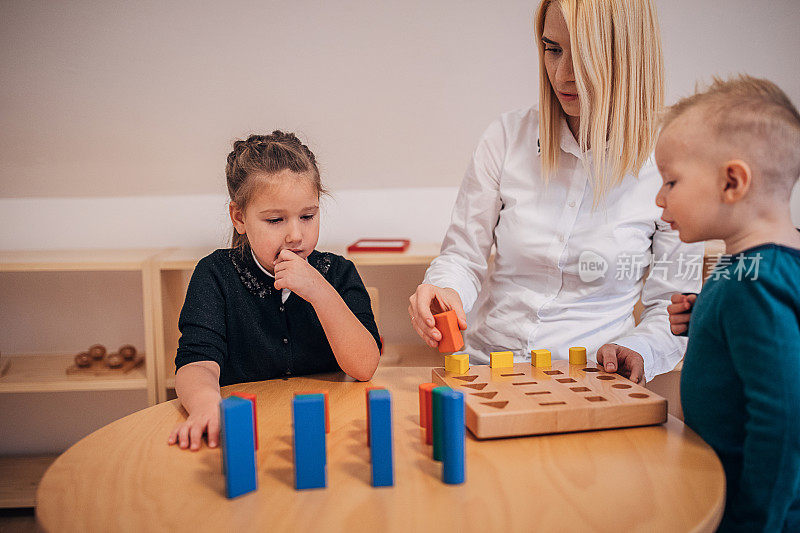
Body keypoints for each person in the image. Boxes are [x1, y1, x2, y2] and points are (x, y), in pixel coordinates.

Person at [408, 0, 703, 383]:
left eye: (583, 53)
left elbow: (672, 308)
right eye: (553, 49)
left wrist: (641, 348)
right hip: (486, 370)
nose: (563, 74)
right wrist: (444, 290)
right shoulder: (506, 137)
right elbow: (463, 257)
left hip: (593, 380)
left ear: (626, 53)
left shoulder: (672, 162)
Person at [168, 131, 381, 451]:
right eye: (275, 220)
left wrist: (319, 291)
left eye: (308, 216)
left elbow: (364, 367)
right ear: (239, 217)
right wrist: (204, 402)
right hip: (248, 434)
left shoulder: (338, 273)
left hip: (329, 431)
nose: (296, 235)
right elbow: (196, 362)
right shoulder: (215, 275)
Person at [656, 75, 800, 531]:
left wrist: (752, 521)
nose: (660, 200)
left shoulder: (753, 285)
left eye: (671, 181)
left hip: (750, 511)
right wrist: (709, 318)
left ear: (733, 181)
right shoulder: (759, 269)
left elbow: (783, 417)